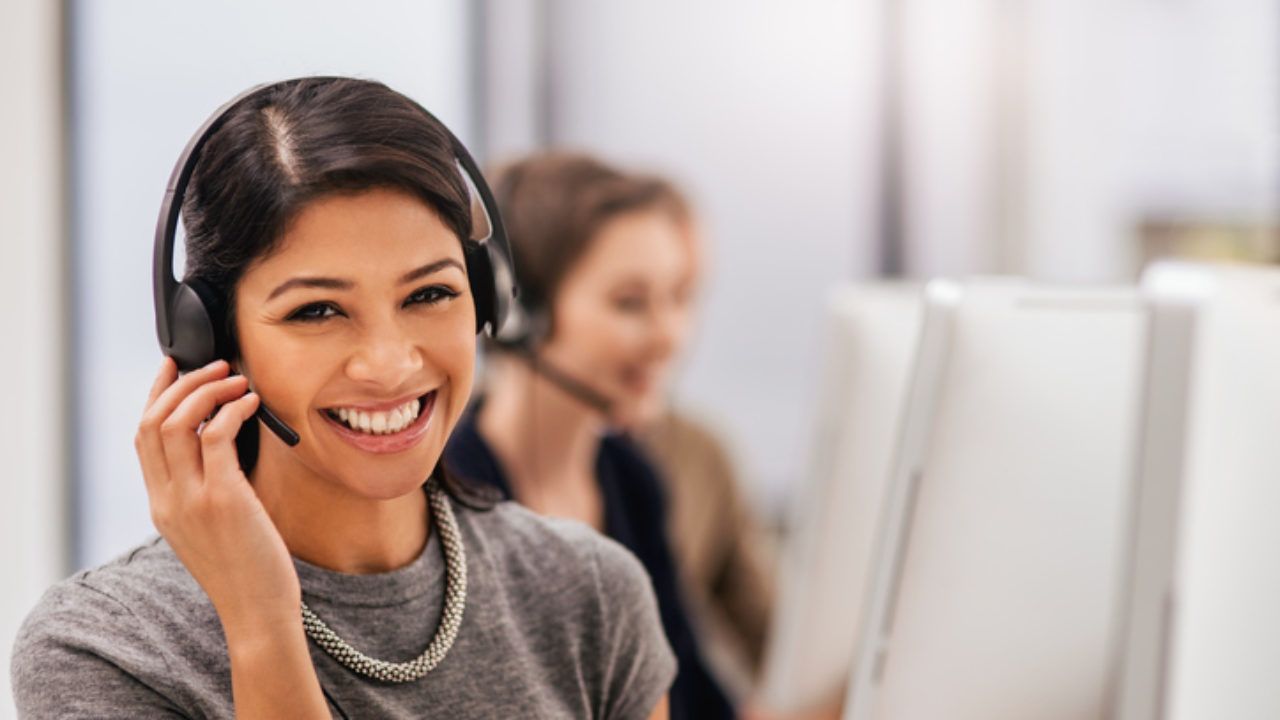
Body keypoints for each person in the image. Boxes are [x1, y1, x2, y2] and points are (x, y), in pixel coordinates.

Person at [11, 78, 673, 719]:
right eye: (318, 310)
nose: (389, 365)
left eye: (429, 294)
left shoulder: (590, 592)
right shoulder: (106, 648)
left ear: (488, 296)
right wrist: (259, 621)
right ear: (210, 340)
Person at [444, 152, 740, 719]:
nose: (670, 336)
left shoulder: (631, 477)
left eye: (678, 297)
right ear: (520, 310)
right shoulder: (452, 490)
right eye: (630, 303)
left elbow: (695, 701)